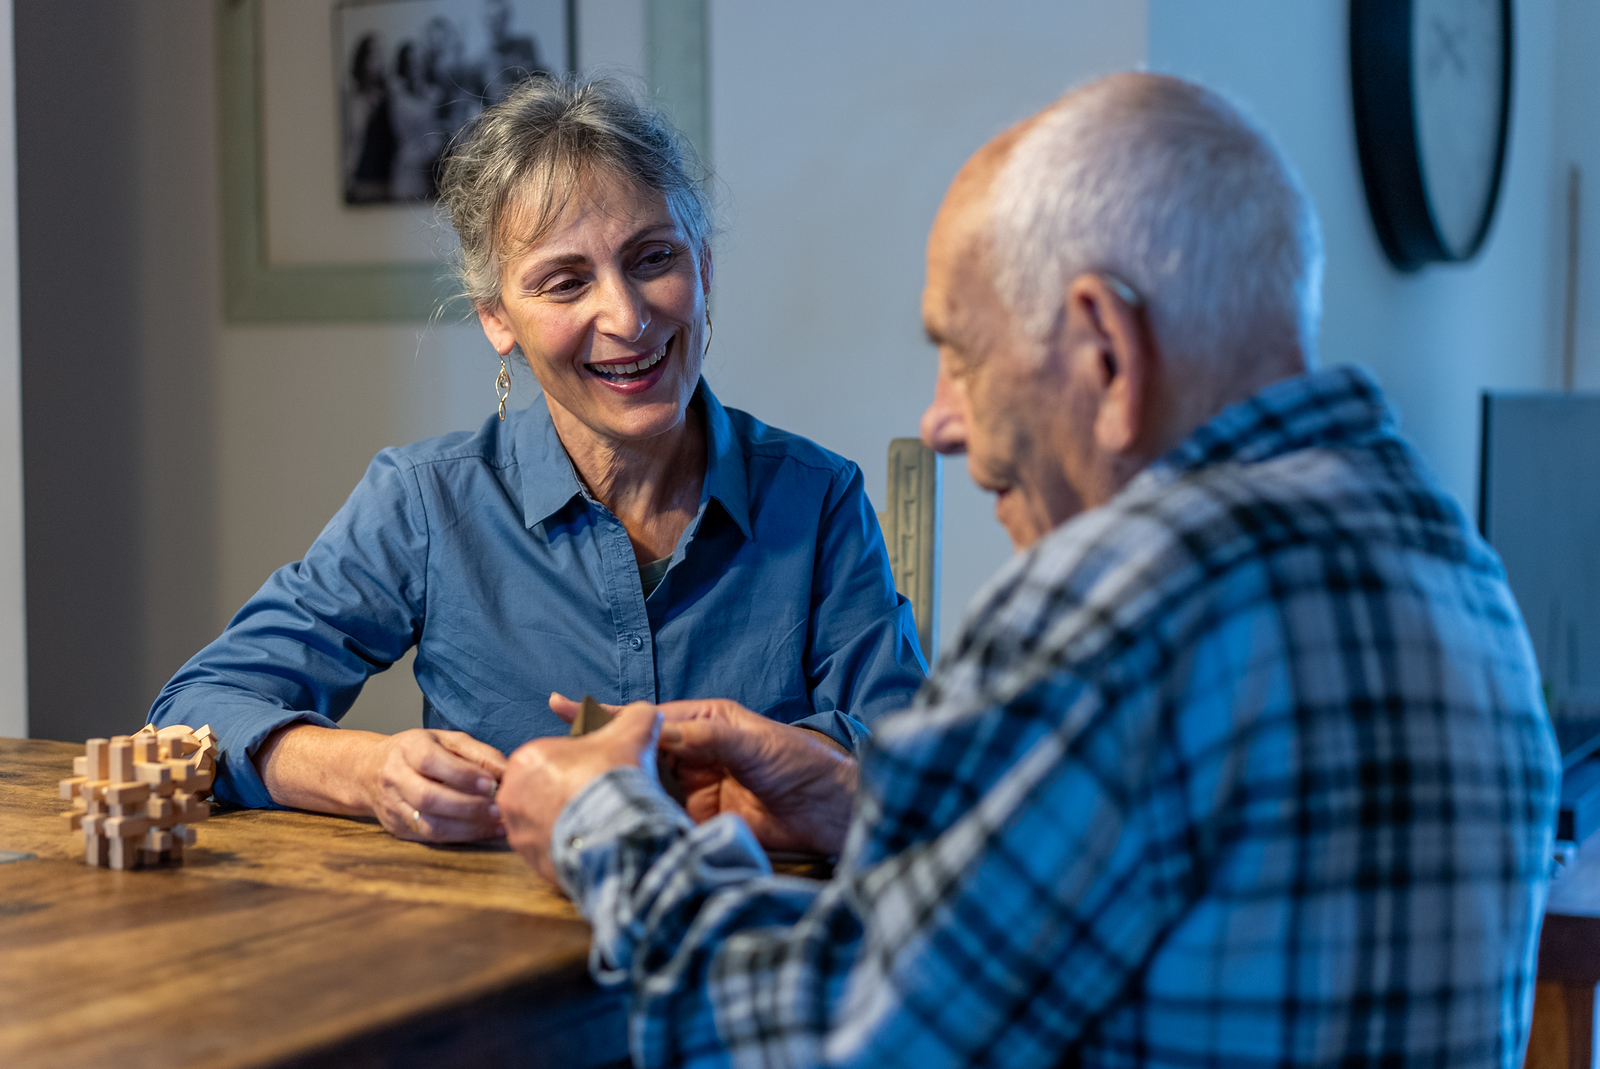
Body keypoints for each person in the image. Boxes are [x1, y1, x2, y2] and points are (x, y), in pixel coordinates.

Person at [496, 72, 1562, 1067]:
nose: (940, 421)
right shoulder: (1452, 566)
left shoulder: (1128, 595)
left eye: (960, 355)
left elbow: (834, 1042)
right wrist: (861, 803)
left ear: (1105, 350)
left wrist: (603, 825)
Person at [149, 77, 926, 844]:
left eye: (654, 258)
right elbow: (196, 709)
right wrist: (371, 771)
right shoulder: (425, 502)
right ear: (497, 319)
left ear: (705, 268)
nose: (626, 316)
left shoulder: (819, 497)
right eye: (565, 282)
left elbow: (917, 766)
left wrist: (764, 772)